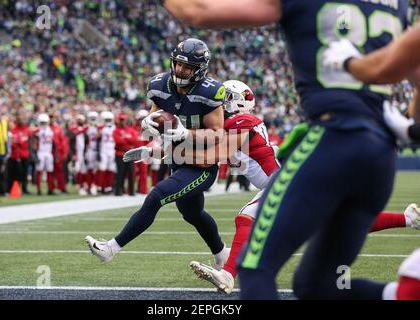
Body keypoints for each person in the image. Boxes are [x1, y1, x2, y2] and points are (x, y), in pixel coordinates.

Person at [164, 0, 417, 299]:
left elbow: (196, 10)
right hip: (381, 151)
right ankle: (405, 291)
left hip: (333, 137)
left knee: (256, 267)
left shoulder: (241, 120)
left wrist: (179, 137)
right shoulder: (397, 5)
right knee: (318, 284)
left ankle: (227, 274)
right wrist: (412, 128)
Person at [85, 38, 230, 269]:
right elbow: (158, 125)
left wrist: (186, 134)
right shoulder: (160, 85)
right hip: (177, 159)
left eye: (188, 66)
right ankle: (223, 253)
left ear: (200, 69)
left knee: (157, 195)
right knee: (193, 214)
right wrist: (149, 135)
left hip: (203, 164)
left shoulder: (211, 92)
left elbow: (217, 134)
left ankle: (111, 248)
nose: (181, 70)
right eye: (178, 64)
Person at [33, 113, 55, 196]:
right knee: (39, 171)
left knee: (50, 171)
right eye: (42, 122)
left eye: (45, 122)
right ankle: (39, 189)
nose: (43, 124)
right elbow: (34, 134)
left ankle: (50, 189)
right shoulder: (38, 130)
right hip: (41, 152)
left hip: (48, 152)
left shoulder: (50, 130)